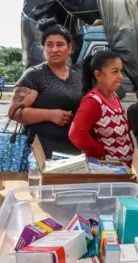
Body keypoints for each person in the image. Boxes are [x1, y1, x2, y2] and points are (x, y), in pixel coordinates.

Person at [8, 18, 83, 158]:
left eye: (60, 44)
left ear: (70, 48)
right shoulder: (34, 74)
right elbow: (14, 112)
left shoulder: (77, 76)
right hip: (41, 154)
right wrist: (50, 115)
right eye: (49, 45)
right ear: (43, 49)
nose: (54, 50)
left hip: (73, 154)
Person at [69, 50, 134, 164]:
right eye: (115, 72)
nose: (120, 76)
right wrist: (99, 153)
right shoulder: (93, 101)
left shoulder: (114, 95)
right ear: (98, 75)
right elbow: (76, 134)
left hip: (123, 169)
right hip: (107, 172)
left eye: (121, 71)